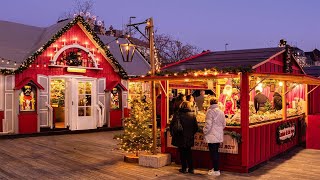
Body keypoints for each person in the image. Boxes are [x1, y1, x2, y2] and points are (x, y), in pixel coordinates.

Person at [170, 101, 198, 174]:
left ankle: (184, 168)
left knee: (182, 153)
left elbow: (172, 125)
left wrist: (173, 134)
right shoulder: (192, 115)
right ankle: (191, 168)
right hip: (189, 137)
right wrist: (190, 134)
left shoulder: (177, 114)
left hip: (180, 137)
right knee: (189, 152)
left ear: (181, 106)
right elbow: (196, 128)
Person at [203, 98, 226, 176]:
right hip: (218, 135)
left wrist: (204, 131)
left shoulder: (209, 112)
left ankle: (216, 170)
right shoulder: (221, 112)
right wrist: (219, 130)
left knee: (213, 153)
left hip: (211, 135)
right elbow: (224, 124)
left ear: (210, 103)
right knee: (216, 152)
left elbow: (208, 125)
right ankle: (215, 168)